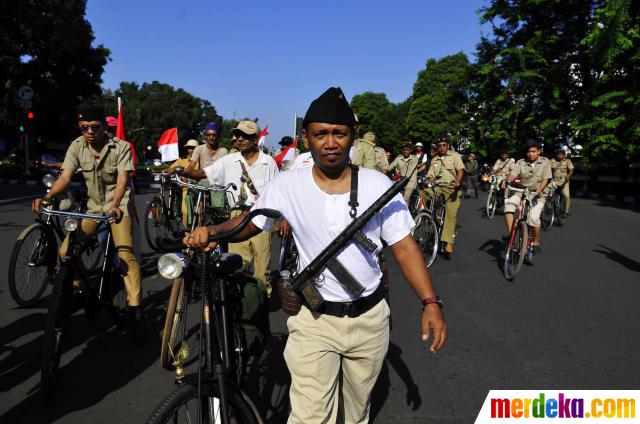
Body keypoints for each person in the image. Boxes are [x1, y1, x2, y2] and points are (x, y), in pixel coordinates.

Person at [184, 87, 446, 423]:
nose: (331, 142)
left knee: (356, 412)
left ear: (352, 138)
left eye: (340, 133)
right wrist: (214, 232)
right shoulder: (287, 185)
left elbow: (405, 247)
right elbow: (252, 223)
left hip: (369, 320)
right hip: (313, 320)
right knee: (309, 416)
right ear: (306, 138)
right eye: (321, 134)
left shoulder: (377, 185)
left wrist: (431, 302)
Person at [32, 105, 142, 327]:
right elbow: (65, 177)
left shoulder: (121, 147)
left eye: (95, 127)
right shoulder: (77, 145)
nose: (90, 132)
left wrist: (115, 205)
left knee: (124, 254)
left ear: (104, 127)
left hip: (118, 208)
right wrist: (47, 197)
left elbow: (122, 180)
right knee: (66, 252)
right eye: (84, 128)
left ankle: (135, 308)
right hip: (93, 209)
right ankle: (78, 290)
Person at [184, 120, 279, 293]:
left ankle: (261, 305)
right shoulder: (229, 160)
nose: (240, 139)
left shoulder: (268, 162)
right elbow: (203, 173)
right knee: (236, 264)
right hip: (236, 216)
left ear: (255, 139)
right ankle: (238, 309)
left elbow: (278, 193)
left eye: (245, 136)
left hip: (261, 216)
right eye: (238, 135)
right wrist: (183, 172)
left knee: (261, 267)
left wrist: (282, 220)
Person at [504, 139, 552, 254]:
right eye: (528, 152)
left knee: (533, 218)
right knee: (508, 207)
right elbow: (513, 174)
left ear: (539, 151)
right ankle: (512, 235)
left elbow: (546, 179)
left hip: (537, 193)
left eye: (533, 151)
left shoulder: (545, 162)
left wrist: (539, 190)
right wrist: (506, 181)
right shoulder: (521, 162)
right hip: (521, 191)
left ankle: (535, 242)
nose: (530, 154)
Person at [424, 138, 465, 255]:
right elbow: (431, 175)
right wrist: (429, 180)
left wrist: (458, 180)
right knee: (424, 190)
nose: (441, 147)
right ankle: (433, 214)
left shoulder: (454, 156)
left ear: (448, 146)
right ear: (437, 147)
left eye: (444, 145)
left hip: (451, 187)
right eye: (439, 145)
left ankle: (448, 242)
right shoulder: (434, 159)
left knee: (450, 214)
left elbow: (461, 170)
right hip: (438, 186)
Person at [550, 148, 574, 216]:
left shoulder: (567, 161)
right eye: (557, 154)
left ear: (564, 155)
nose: (559, 156)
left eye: (560, 154)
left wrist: (568, 176)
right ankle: (547, 207)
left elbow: (571, 170)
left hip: (564, 181)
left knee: (566, 196)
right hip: (554, 180)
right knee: (548, 194)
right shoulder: (552, 161)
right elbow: (547, 168)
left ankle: (566, 210)